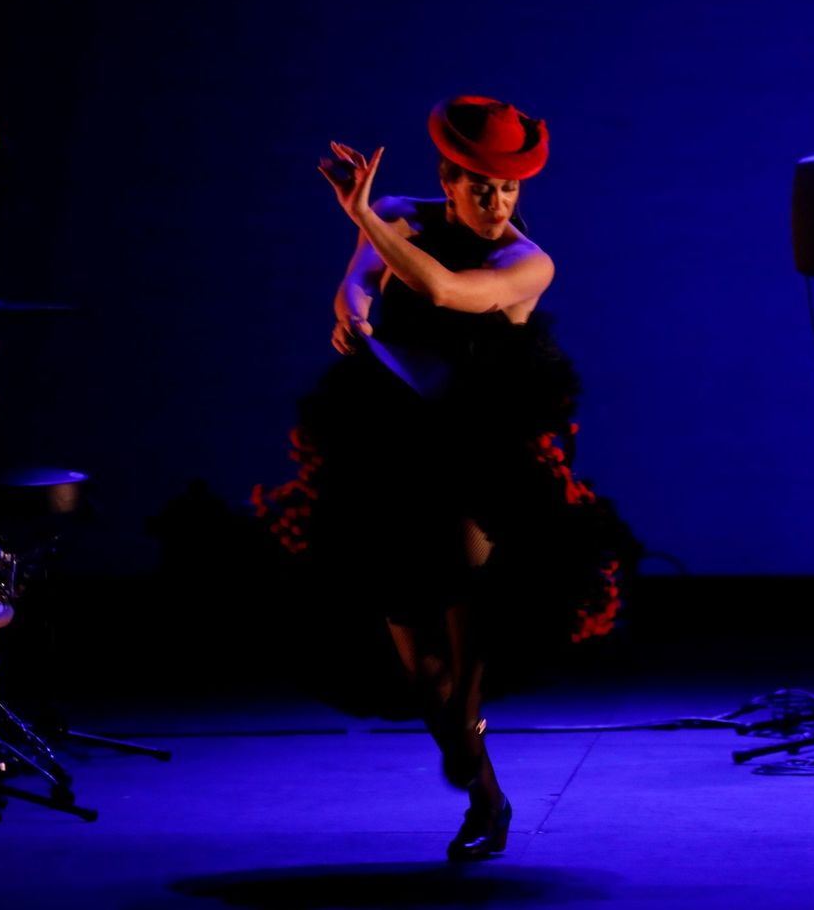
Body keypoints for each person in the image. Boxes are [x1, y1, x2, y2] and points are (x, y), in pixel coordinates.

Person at [254, 95, 636, 859]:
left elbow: (440, 291)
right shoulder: (400, 211)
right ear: (449, 180)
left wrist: (362, 222)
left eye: (510, 190)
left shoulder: (529, 262)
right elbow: (356, 290)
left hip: (480, 442)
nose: (498, 205)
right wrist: (357, 307)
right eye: (482, 188)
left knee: (463, 595)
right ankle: (484, 790)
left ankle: (469, 716)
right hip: (390, 439)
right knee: (411, 649)